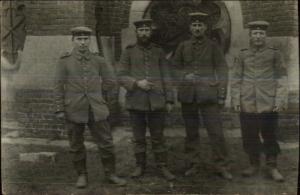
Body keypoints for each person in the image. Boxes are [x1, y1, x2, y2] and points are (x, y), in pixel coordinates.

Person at [54, 26, 126, 188]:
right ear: (73, 41)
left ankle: (110, 173)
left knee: (106, 142)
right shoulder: (64, 60)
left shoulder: (98, 60)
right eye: (79, 39)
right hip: (74, 108)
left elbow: (110, 82)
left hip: (96, 108)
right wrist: (59, 108)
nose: (82, 42)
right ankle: (82, 175)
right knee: (76, 144)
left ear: (90, 41)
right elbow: (58, 85)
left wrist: (100, 97)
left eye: (86, 39)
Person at [172, 12, 232, 180]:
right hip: (188, 97)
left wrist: (221, 95)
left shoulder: (213, 46)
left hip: (208, 96)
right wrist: (184, 75)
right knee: (191, 133)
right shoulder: (183, 46)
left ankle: (221, 165)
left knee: (216, 132)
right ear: (190, 27)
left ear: (205, 27)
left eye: (200, 25)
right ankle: (193, 164)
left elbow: (222, 70)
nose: (197, 28)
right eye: (194, 25)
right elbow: (174, 68)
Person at [118, 19, 175, 180]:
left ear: (151, 32)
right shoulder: (128, 52)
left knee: (158, 136)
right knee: (139, 137)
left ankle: (162, 166)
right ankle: (139, 165)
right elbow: (120, 76)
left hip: (157, 101)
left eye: (147, 30)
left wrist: (169, 99)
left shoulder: (158, 51)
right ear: (136, 32)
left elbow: (166, 76)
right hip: (136, 101)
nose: (144, 33)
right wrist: (137, 83)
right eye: (141, 30)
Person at [231, 21, 288, 182]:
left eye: (261, 34)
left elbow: (282, 77)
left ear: (265, 36)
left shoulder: (275, 54)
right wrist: (236, 99)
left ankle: (272, 166)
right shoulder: (242, 54)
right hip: (247, 101)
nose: (258, 36)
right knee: (249, 134)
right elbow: (236, 78)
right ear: (250, 36)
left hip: (268, 101)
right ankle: (254, 164)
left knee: (269, 134)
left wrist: (280, 99)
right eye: (255, 34)